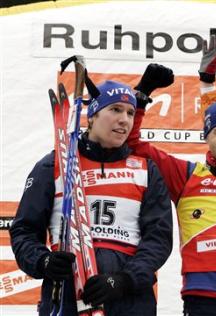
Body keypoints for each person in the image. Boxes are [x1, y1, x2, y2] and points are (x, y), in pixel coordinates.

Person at [9, 80, 173, 316]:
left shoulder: (146, 170)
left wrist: (124, 280)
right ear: (92, 116)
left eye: (129, 112)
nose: (125, 119)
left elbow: (158, 238)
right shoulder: (54, 165)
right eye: (115, 109)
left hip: (130, 301)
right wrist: (43, 261)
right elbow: (24, 230)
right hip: (67, 296)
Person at [128, 36, 216, 316]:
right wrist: (140, 96)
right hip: (200, 298)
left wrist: (208, 84)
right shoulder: (186, 176)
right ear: (206, 136)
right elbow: (133, 144)